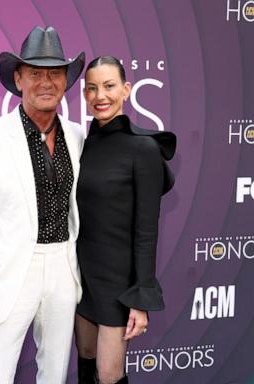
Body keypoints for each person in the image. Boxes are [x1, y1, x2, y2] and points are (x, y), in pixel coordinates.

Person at [0, 26, 85, 384]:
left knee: (55, 375)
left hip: (63, 270)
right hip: (7, 276)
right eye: (36, 73)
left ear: (65, 81)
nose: (46, 82)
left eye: (54, 73)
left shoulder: (78, 135)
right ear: (19, 78)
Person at [74, 56, 176, 384]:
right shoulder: (82, 145)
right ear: (84, 94)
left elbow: (146, 229)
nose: (99, 95)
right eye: (92, 88)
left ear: (126, 90)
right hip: (81, 277)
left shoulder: (143, 148)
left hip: (118, 285)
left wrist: (140, 297)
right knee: (85, 364)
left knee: (108, 375)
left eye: (108, 86)